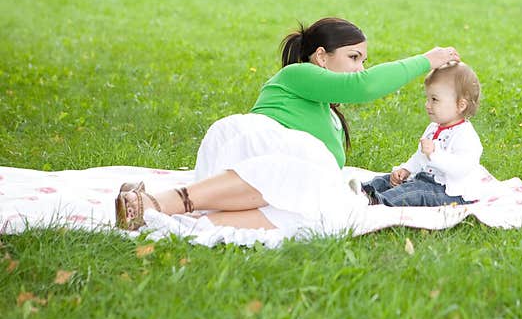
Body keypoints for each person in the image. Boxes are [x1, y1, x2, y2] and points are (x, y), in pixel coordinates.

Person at [115, 17, 461, 233]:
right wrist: (426, 60)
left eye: (363, 61)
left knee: (323, 215)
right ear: (321, 56)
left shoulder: (330, 118)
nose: (359, 67)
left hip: (270, 180)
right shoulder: (299, 74)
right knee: (300, 174)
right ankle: (158, 202)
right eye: (353, 57)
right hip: (249, 148)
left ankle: (173, 224)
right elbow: (364, 87)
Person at [360, 61, 486, 207]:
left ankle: (377, 202)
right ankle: (362, 190)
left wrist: (434, 154)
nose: (427, 104)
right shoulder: (434, 127)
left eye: (434, 100)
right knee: (389, 180)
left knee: (413, 193)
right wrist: (406, 169)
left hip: (450, 192)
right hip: (425, 180)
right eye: (428, 99)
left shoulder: (466, 136)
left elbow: (461, 169)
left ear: (460, 105)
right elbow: (420, 156)